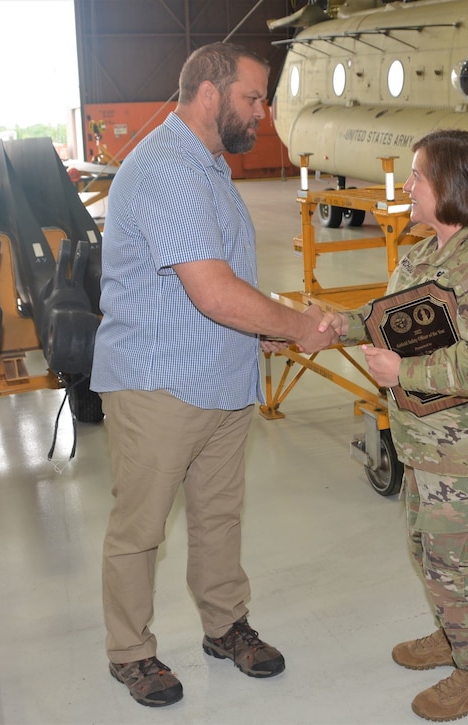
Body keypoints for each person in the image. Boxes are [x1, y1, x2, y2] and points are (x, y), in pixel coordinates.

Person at [90, 42, 337, 708]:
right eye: (253, 98)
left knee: (218, 514)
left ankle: (224, 624)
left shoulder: (207, 165)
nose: (262, 112)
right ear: (209, 93)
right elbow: (214, 292)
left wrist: (270, 327)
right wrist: (296, 326)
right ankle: (131, 651)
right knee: (141, 526)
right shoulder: (168, 167)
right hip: (159, 383)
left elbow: (227, 283)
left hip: (220, 377)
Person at [319, 129, 468, 721]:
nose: (408, 185)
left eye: (418, 175)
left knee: (461, 564)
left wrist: (401, 369)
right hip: (427, 447)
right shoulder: (424, 254)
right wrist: (343, 325)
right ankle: (453, 635)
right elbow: (389, 319)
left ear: (454, 186)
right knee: (429, 551)